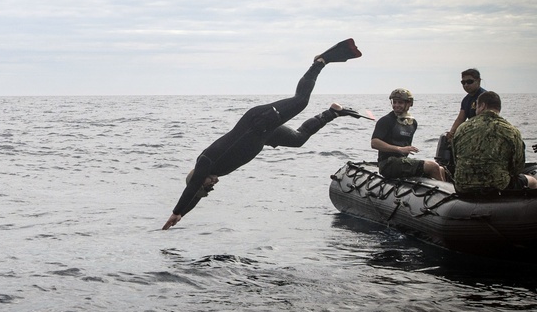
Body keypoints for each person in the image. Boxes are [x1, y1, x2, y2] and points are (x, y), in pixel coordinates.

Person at [162, 38, 365, 230]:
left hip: (259, 121)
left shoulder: (205, 162)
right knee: (298, 139)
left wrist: (175, 211)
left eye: (207, 186)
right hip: (264, 135)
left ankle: (320, 61)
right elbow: (195, 195)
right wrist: (181, 216)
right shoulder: (214, 172)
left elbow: (191, 190)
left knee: (301, 100)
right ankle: (333, 112)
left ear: (199, 179)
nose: (212, 186)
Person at [451, 91, 537, 193]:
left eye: (476, 106)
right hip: (498, 186)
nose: (475, 110)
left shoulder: (462, 128)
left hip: (463, 186)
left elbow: (455, 158)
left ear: (482, 106)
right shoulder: (511, 131)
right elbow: (518, 167)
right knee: (533, 181)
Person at [370, 88, 447, 181]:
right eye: (394, 102)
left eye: (400, 103)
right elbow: (374, 143)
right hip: (388, 164)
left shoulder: (412, 123)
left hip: (402, 162)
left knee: (441, 169)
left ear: (409, 103)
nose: (396, 105)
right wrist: (399, 149)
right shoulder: (386, 120)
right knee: (433, 166)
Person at [446, 68, 486, 137]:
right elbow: (460, 119)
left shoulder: (485, 97)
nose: (466, 85)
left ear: (478, 81)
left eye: (469, 82)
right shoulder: (466, 100)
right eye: (463, 82)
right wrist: (451, 133)